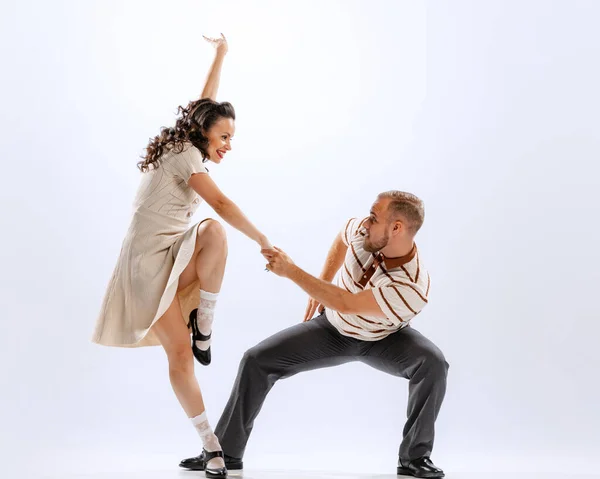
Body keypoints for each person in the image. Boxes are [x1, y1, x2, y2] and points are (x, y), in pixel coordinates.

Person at [92, 34, 271, 479]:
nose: (228, 144)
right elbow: (224, 205)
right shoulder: (184, 155)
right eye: (224, 136)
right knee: (179, 358)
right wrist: (265, 241)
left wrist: (221, 54)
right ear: (205, 132)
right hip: (144, 270)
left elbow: (204, 103)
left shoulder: (192, 138)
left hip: (174, 253)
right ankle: (211, 445)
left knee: (213, 235)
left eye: (231, 136)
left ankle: (203, 325)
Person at [180, 191, 449, 478]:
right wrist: (322, 281)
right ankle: (226, 454)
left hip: (384, 340)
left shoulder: (412, 286)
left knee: (432, 363)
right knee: (256, 359)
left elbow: (346, 303)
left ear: (396, 228)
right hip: (333, 330)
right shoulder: (364, 232)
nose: (366, 223)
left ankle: (414, 459)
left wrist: (291, 271)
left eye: (374, 218)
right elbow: (342, 239)